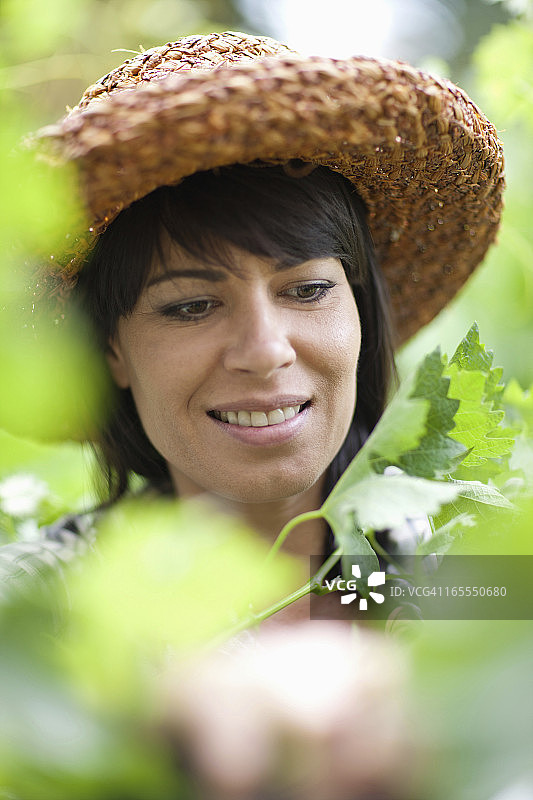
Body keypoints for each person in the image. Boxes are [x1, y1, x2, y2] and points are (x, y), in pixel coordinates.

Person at [1, 30, 504, 613]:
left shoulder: (474, 581)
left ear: (361, 311)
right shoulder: (39, 615)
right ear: (111, 349)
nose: (266, 351)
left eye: (309, 290)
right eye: (191, 306)